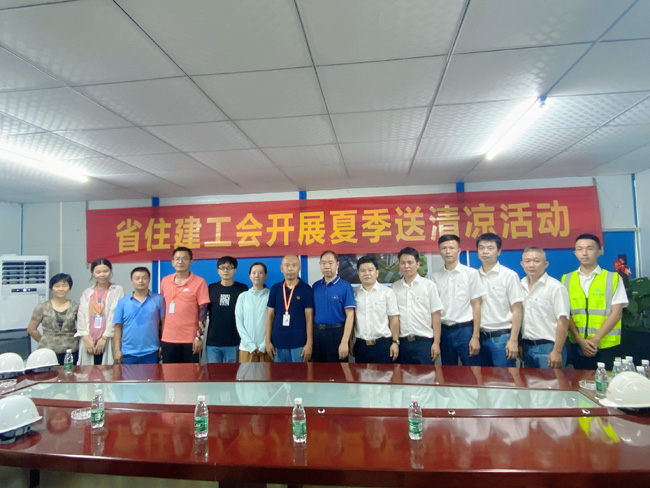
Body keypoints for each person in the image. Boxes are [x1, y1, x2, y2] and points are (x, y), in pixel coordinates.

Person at [562, 234, 628, 370]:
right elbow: (566, 313)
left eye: (589, 248)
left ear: (599, 251)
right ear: (575, 253)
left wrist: (596, 339)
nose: (584, 253)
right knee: (579, 381)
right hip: (577, 346)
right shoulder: (566, 279)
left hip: (606, 346)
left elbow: (617, 313)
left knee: (606, 381)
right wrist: (579, 340)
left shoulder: (613, 278)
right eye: (580, 249)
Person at [431, 234, 486, 366]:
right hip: (444, 331)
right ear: (439, 251)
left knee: (472, 370)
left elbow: (476, 305)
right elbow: (435, 309)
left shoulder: (471, 274)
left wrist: (475, 336)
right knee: (448, 371)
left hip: (465, 330)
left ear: (459, 251)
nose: (447, 251)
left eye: (451, 248)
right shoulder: (435, 277)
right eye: (444, 248)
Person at [475, 233, 524, 367]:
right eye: (481, 248)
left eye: (490, 248)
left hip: (502, 338)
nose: (485, 251)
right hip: (478, 338)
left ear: (499, 251)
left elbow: (517, 310)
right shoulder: (473, 276)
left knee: (504, 378)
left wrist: (513, 340)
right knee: (481, 378)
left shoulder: (509, 276)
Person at [520, 247, 570, 369]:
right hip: (526, 347)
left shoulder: (556, 288)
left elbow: (563, 321)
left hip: (549, 347)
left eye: (536, 261)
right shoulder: (519, 285)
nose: (531, 265)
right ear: (522, 264)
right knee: (529, 381)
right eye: (527, 261)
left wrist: (557, 351)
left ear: (546, 264)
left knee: (552, 381)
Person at [392, 247, 443, 364]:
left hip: (424, 343)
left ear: (418, 264)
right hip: (403, 343)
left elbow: (436, 315)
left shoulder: (429, 286)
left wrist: (436, 343)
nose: (406, 266)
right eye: (403, 263)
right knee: (402, 375)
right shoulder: (395, 287)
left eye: (410, 262)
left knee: (426, 375)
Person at [159, 246, 210, 363]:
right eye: (177, 259)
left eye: (184, 259)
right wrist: (160, 338)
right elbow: (162, 311)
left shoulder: (199, 282)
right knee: (169, 373)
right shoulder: (165, 281)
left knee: (190, 373)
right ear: (172, 262)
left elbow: (203, 311)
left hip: (190, 340)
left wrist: (199, 337)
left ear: (191, 261)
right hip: (168, 338)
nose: (180, 262)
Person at [265, 254, 314, 363]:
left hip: (299, 344)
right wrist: (267, 341)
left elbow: (309, 318)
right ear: (281, 268)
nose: (290, 268)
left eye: (294, 265)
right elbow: (270, 317)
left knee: (299, 373)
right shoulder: (275, 289)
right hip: (277, 343)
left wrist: (309, 343)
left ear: (299, 267)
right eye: (287, 265)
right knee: (280, 373)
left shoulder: (306, 289)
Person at [76, 258, 124, 365]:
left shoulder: (117, 290)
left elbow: (116, 316)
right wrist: (86, 338)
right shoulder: (87, 292)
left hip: (108, 339)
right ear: (92, 273)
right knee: (88, 372)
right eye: (98, 272)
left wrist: (104, 338)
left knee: (108, 371)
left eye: (105, 271)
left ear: (111, 271)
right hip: (89, 340)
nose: (102, 275)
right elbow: (81, 316)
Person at [113, 267, 165, 365]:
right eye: (137, 278)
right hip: (128, 353)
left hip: (151, 352)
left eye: (144, 278)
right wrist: (117, 350)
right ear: (132, 281)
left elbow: (164, 324)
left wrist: (163, 345)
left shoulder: (159, 299)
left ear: (149, 279)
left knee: (152, 375)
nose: (141, 281)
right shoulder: (123, 302)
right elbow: (117, 327)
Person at [353, 255, 400, 364]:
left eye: (370, 270)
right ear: (358, 273)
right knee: (360, 374)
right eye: (363, 271)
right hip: (361, 345)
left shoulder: (387, 293)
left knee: (385, 374)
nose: (367, 273)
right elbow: (351, 319)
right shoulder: (354, 293)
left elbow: (394, 319)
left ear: (377, 272)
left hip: (383, 345)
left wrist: (395, 342)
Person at [312, 250, 355, 362]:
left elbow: (350, 316)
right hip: (317, 334)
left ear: (337, 264)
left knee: (337, 370)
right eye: (323, 263)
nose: (327, 266)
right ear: (320, 265)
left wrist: (345, 341)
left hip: (336, 334)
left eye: (330, 263)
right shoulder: (316, 286)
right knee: (318, 370)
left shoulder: (345, 286)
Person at [27, 273, 79, 365]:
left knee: (69, 373)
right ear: (51, 288)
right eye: (57, 286)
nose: (61, 289)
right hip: (47, 350)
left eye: (64, 286)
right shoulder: (42, 307)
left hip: (70, 350)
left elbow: (83, 326)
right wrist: (44, 340)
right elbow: (31, 329)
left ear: (69, 288)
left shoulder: (76, 306)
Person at [206, 256, 248, 363]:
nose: (225, 271)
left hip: (234, 340)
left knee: (233, 372)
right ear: (218, 270)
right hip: (213, 341)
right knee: (213, 371)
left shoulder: (242, 289)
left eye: (229, 268)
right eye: (222, 268)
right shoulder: (211, 288)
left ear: (235, 270)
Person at [235, 262, 271, 362]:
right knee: (246, 373)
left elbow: (274, 322)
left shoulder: (271, 295)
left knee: (267, 372)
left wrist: (264, 345)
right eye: (254, 273)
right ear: (250, 276)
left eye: (260, 273)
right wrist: (250, 345)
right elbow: (239, 323)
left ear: (265, 276)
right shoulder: (243, 296)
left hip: (266, 348)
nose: (257, 275)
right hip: (246, 348)